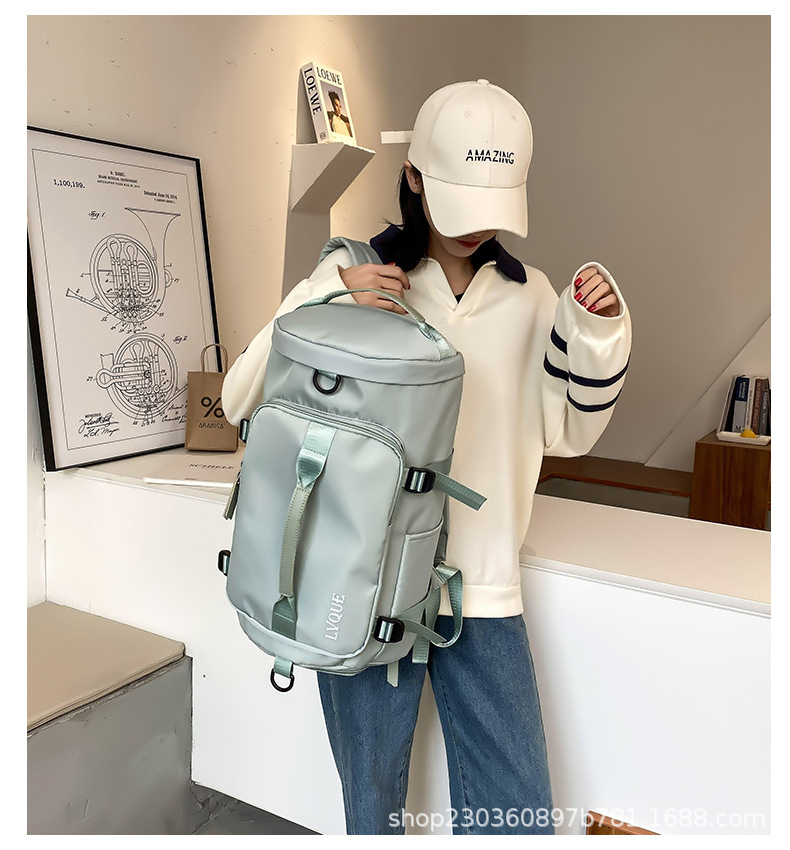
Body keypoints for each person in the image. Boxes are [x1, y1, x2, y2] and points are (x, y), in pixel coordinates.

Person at [222, 79, 632, 836]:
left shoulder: (533, 296)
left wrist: (597, 333)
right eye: (459, 203)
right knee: (371, 814)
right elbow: (239, 395)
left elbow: (570, 432)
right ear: (412, 177)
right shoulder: (359, 276)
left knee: (516, 817)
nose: (477, 228)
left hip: (482, 593)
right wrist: (326, 293)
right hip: (362, 583)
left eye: (492, 207)